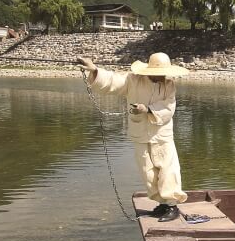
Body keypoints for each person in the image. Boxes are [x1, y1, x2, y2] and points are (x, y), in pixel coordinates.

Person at [77, 53, 188, 223]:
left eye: (162, 74)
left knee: (168, 169)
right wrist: (94, 70)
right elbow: (114, 82)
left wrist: (148, 109)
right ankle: (162, 204)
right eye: (157, 73)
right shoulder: (133, 80)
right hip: (140, 133)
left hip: (162, 134)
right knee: (147, 171)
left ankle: (172, 205)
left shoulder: (169, 85)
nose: (160, 76)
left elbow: (169, 108)